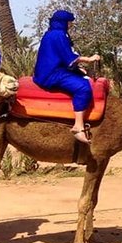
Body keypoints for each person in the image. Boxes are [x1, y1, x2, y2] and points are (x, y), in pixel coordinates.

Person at [33, 10, 101, 144]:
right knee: (83, 88)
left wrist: (77, 69)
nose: (71, 25)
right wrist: (89, 59)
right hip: (51, 74)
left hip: (54, 70)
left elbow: (62, 58)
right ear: (64, 22)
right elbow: (68, 56)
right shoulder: (58, 35)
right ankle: (78, 126)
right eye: (70, 22)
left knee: (82, 76)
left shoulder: (53, 33)